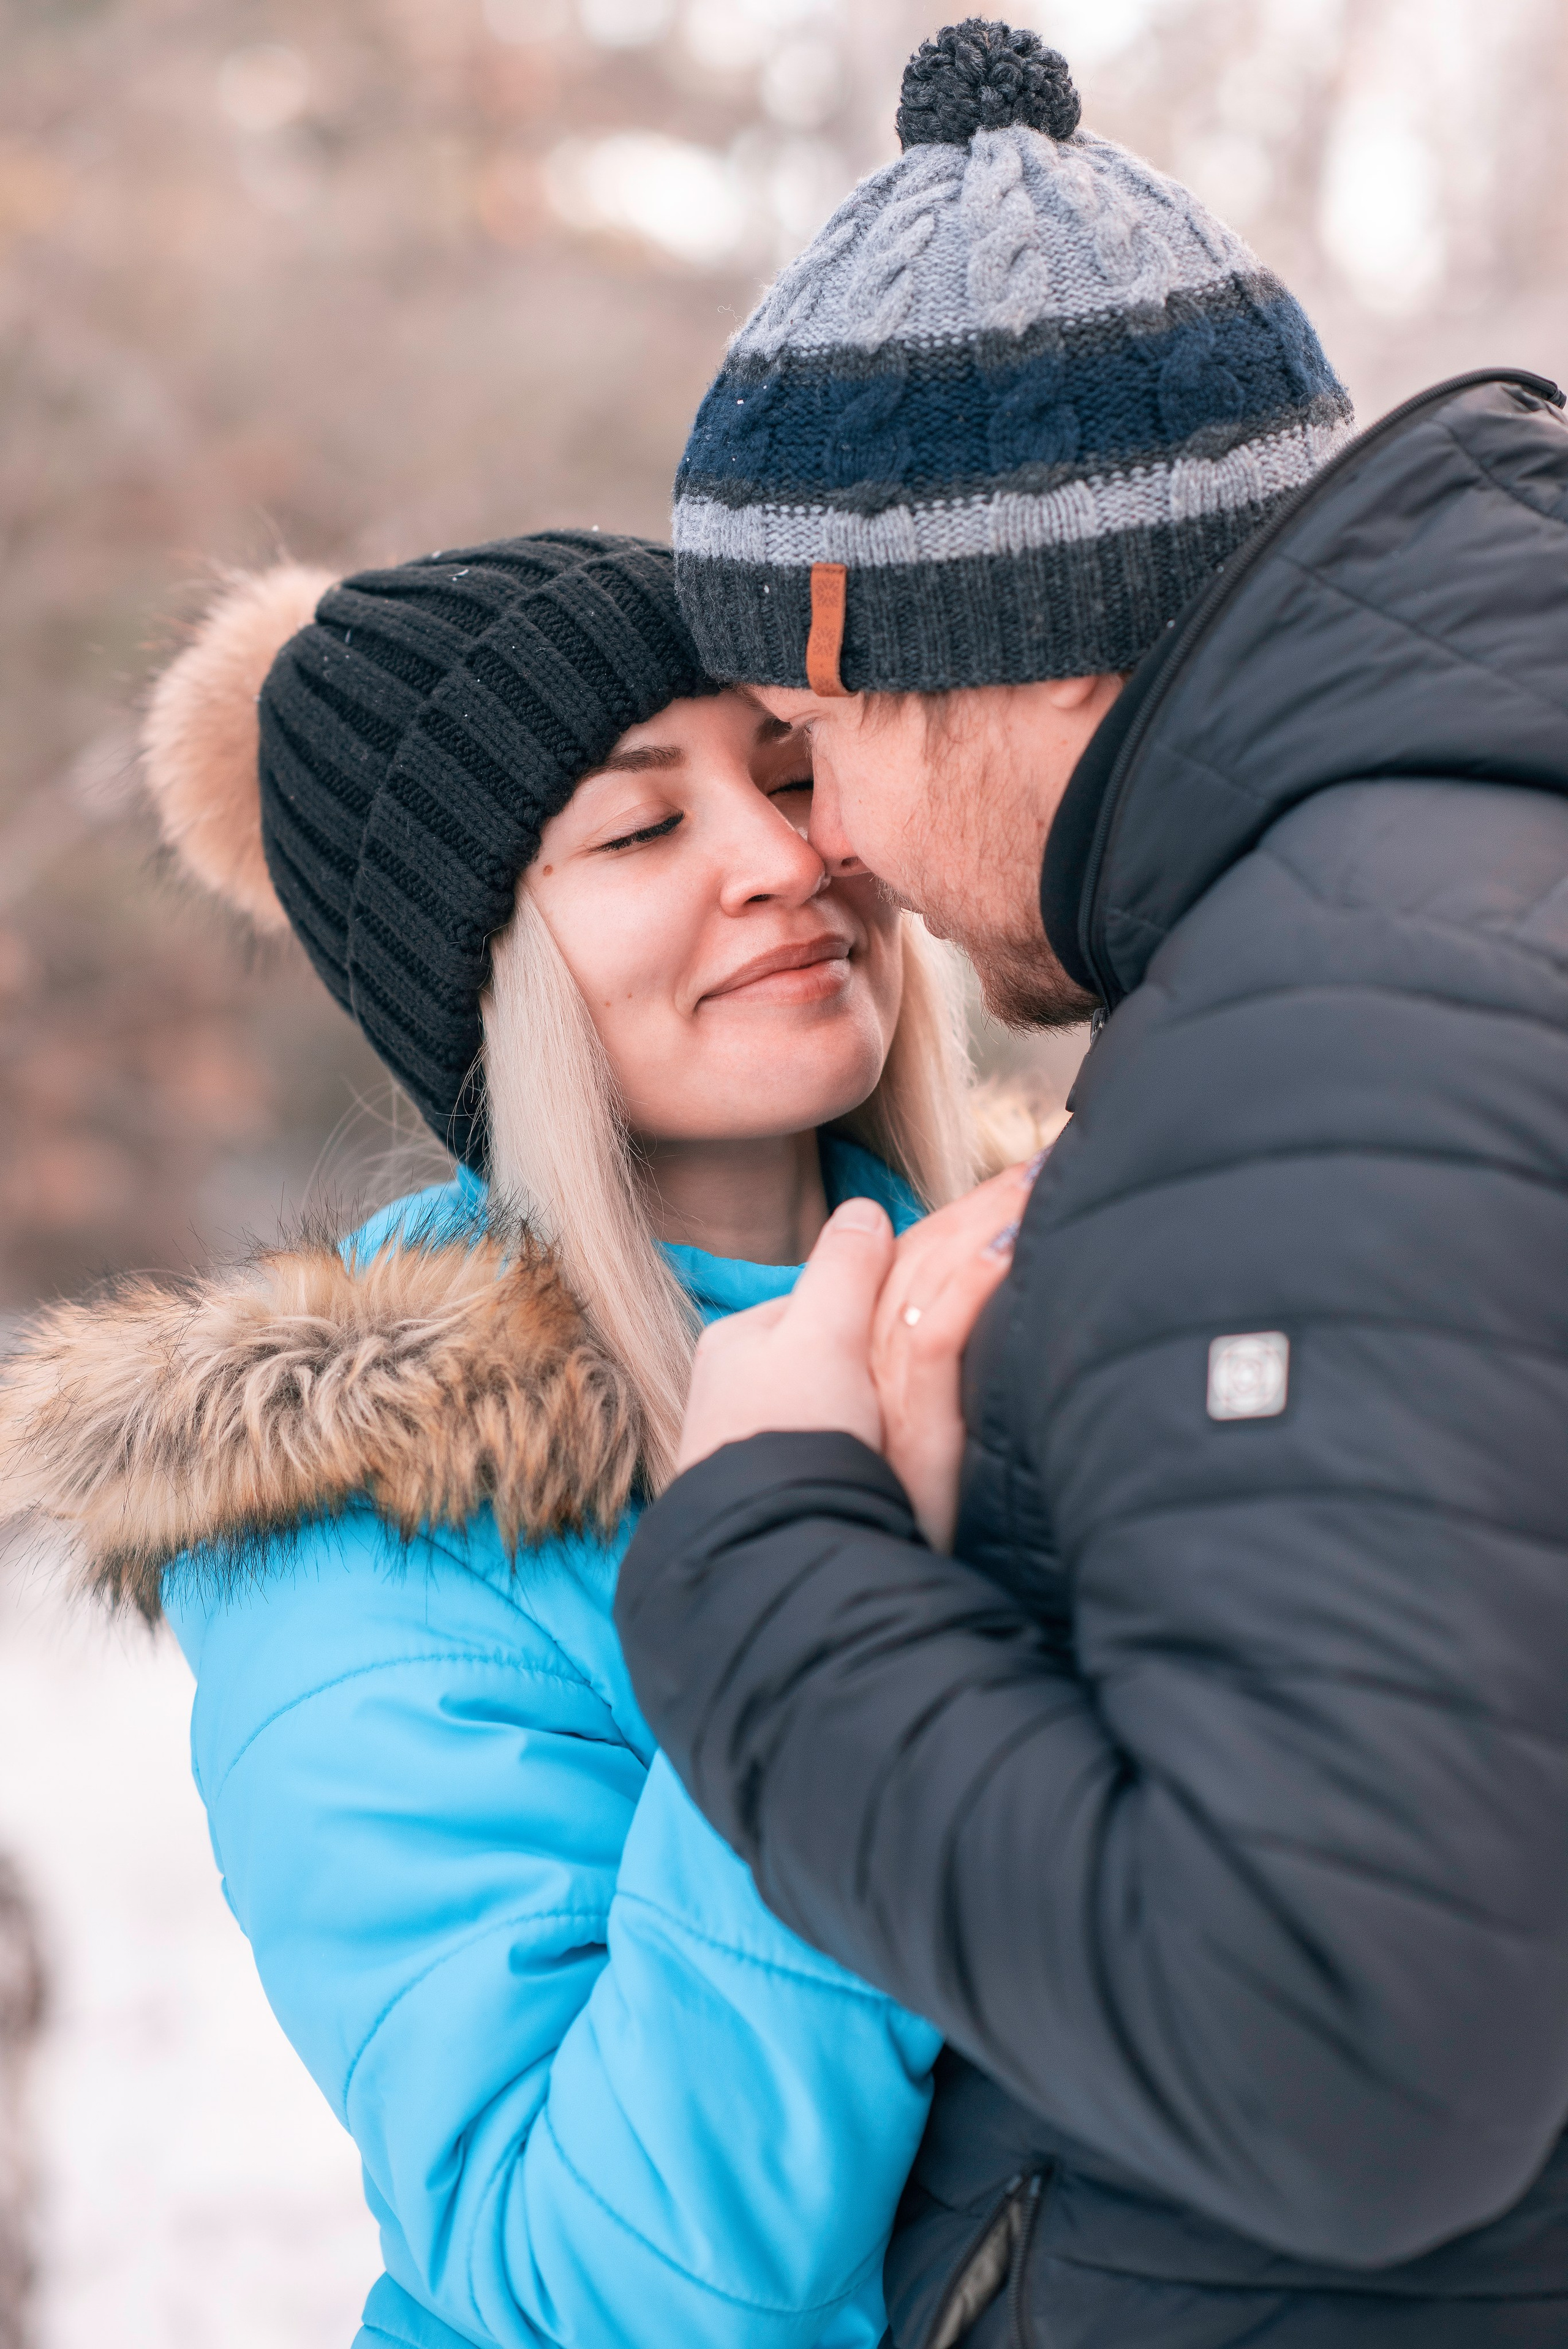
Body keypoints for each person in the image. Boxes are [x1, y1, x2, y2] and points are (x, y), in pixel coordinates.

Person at [612, 21, 1568, 2349]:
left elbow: (1338, 2056)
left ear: (957, 660)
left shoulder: (1338, 1030)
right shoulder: (1440, 907)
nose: (821, 843)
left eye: (812, 744)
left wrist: (765, 1556)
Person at [0, 534, 1040, 2349]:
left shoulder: (1066, 1291)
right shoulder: (375, 1547)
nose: (783, 857)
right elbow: (616, 2285)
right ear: (487, 977)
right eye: (641, 833)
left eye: (795, 772)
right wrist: (810, 1602)